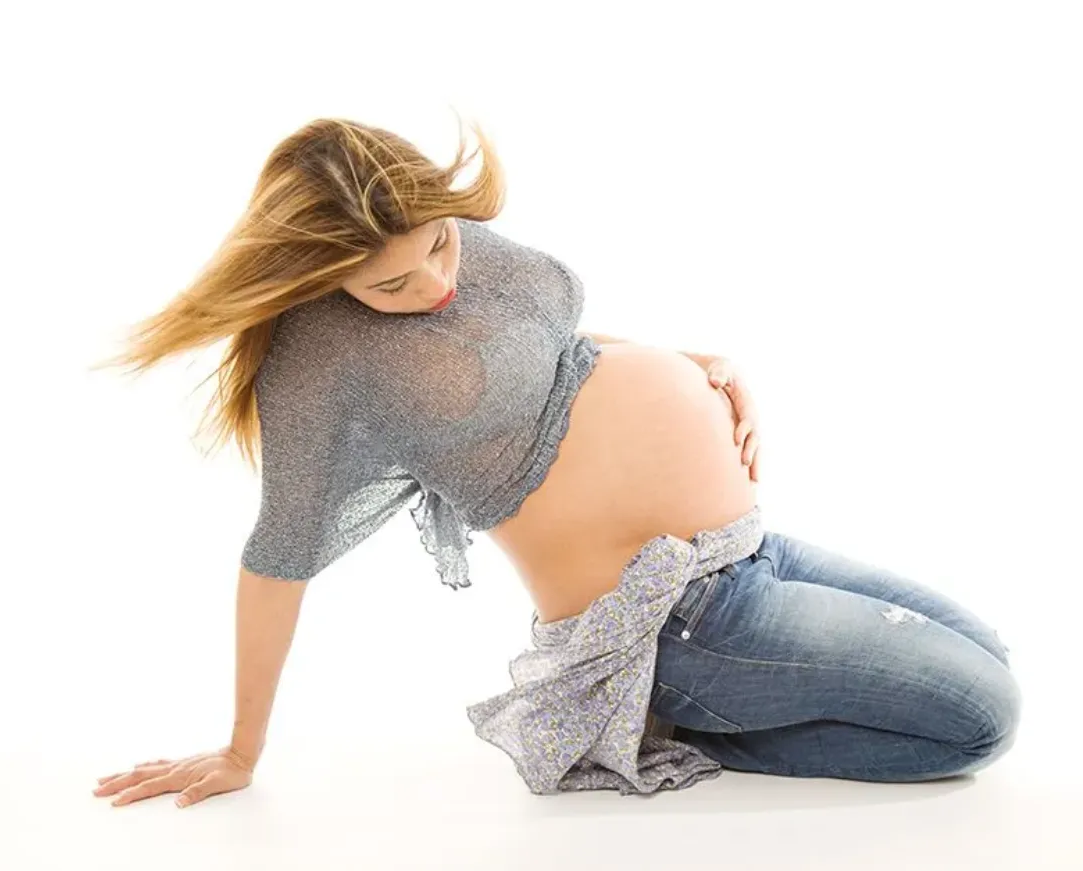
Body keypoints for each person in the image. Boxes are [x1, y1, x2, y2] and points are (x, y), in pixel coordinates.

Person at [91, 116, 1020, 806]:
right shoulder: (319, 367)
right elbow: (278, 553)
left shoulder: (438, 234)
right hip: (670, 620)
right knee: (981, 719)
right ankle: (684, 720)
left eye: (440, 246)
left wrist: (693, 363)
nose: (437, 281)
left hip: (745, 553)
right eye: (392, 283)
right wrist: (240, 748)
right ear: (318, 271)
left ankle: (720, 706)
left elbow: (542, 344)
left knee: (986, 650)